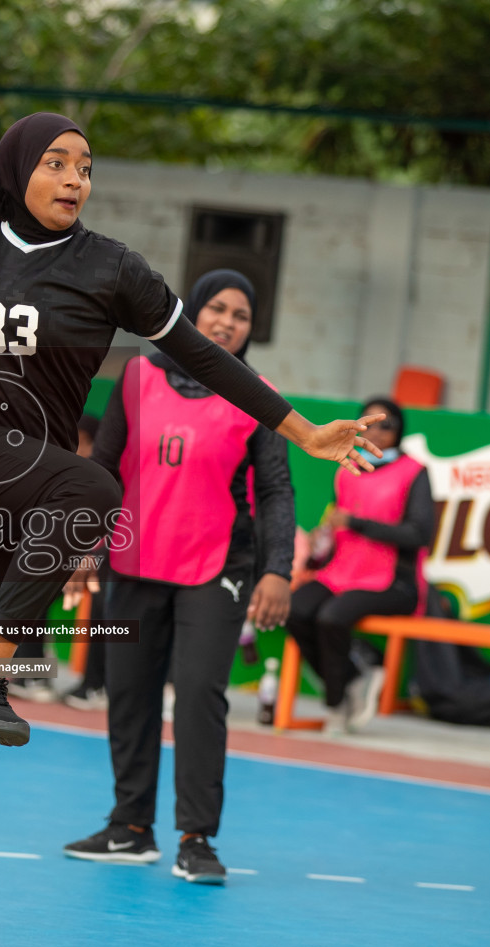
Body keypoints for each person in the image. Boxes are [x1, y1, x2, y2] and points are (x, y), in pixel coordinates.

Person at [0, 84, 381, 946]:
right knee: (97, 490)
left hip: (27, 478)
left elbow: (202, 354)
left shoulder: (111, 267)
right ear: (14, 171)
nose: (76, 178)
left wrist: (301, 430)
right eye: (57, 162)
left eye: (86, 167)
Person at [61, 269, 296, 884]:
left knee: (197, 695)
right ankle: (130, 827)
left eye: (241, 315)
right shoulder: (138, 375)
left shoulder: (260, 395)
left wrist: (278, 571)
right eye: (217, 307)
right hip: (134, 561)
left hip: (216, 568)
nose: (227, 321)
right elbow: (103, 466)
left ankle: (197, 838)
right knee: (130, 694)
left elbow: (275, 492)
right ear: (192, 310)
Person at [286, 398, 433, 735]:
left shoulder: (415, 473)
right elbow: (336, 525)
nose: (378, 432)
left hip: (393, 581)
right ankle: (352, 680)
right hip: (341, 572)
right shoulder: (346, 469)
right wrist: (323, 542)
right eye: (370, 424)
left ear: (399, 431)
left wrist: (357, 523)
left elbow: (419, 533)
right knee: (294, 608)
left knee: (331, 618)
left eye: (387, 425)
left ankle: (336, 705)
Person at [60, 413, 110, 711]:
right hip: (65, 563)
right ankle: (31, 673)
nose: (79, 450)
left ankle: (94, 684)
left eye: (86, 443)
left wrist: (88, 558)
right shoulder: (63, 475)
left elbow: (116, 534)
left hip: (99, 565)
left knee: (106, 590)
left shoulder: (111, 481)